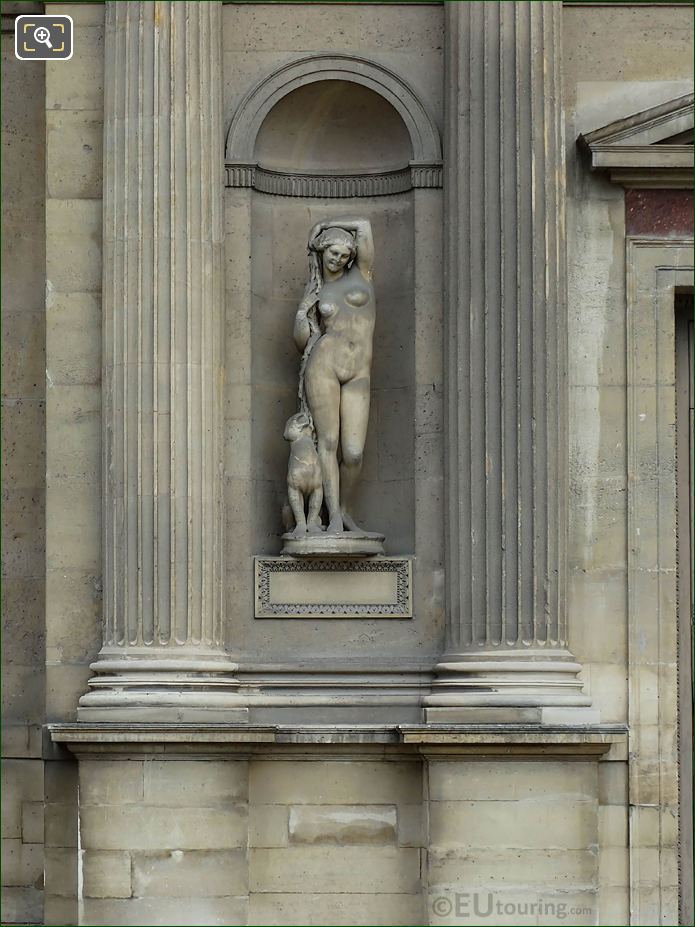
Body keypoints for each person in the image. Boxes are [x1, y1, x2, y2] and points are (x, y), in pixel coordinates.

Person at [293, 217, 376, 537]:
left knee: (353, 453)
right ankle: (334, 520)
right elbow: (302, 341)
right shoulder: (315, 289)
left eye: (344, 254)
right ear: (322, 253)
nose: (337, 259)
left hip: (359, 370)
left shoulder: (363, 275)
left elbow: (365, 227)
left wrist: (326, 225)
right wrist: (303, 312)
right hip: (323, 365)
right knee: (328, 443)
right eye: (332, 252)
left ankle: (345, 510)